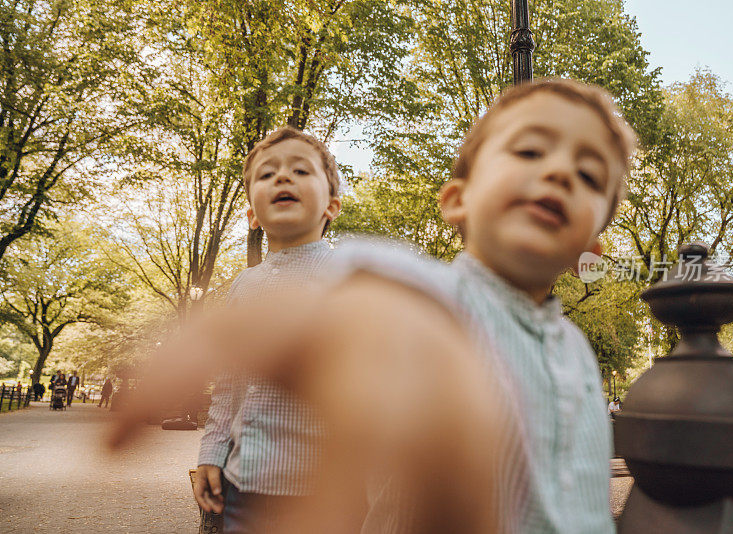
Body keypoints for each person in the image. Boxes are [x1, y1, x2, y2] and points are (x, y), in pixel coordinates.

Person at [111, 78, 636, 533]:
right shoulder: (424, 295)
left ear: (595, 243)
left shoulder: (576, 350)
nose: (561, 172)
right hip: (261, 483)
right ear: (457, 198)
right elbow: (366, 287)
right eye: (529, 152)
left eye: (590, 176)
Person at [195, 127, 342, 533]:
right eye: (266, 174)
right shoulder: (244, 286)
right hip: (244, 486)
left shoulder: (348, 279)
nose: (282, 177)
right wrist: (212, 452)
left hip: (323, 489)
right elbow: (229, 384)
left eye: (300, 170)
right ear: (253, 216)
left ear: (331, 206)